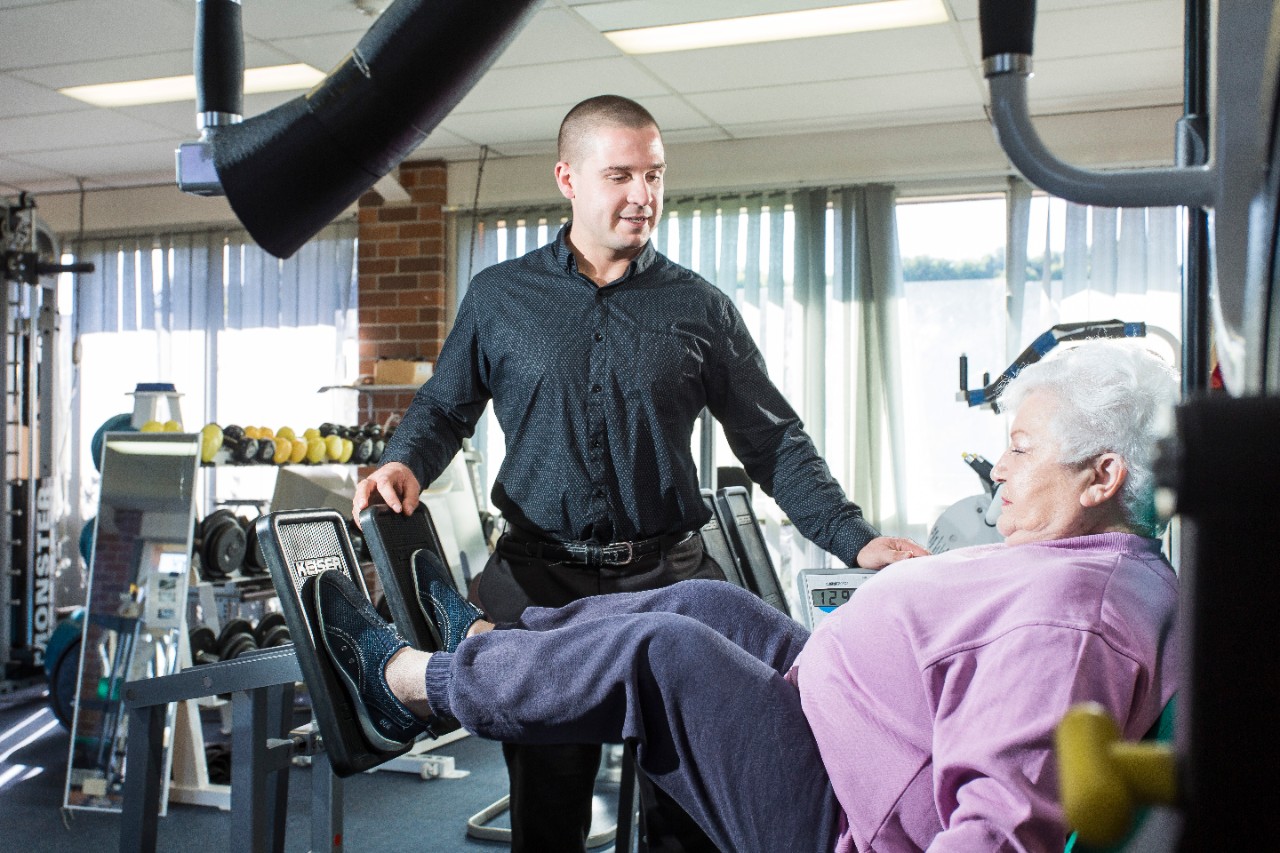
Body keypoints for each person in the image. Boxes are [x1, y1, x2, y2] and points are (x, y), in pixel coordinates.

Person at [327, 339, 1180, 852]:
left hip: (854, 813)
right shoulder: (1089, 558)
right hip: (857, 729)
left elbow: (1004, 814)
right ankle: (478, 645)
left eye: (1022, 449)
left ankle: (406, 683)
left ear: (1104, 473)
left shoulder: (1079, 620)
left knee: (667, 654)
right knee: (705, 604)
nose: (999, 466)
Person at [353, 94, 926, 851]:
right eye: (620, 174)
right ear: (568, 177)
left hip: (669, 575)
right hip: (538, 582)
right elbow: (444, 406)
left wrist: (853, 539)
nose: (643, 195)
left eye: (654, 175)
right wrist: (405, 460)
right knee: (548, 810)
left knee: (688, 819)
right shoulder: (501, 296)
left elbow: (773, 440)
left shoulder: (699, 308)